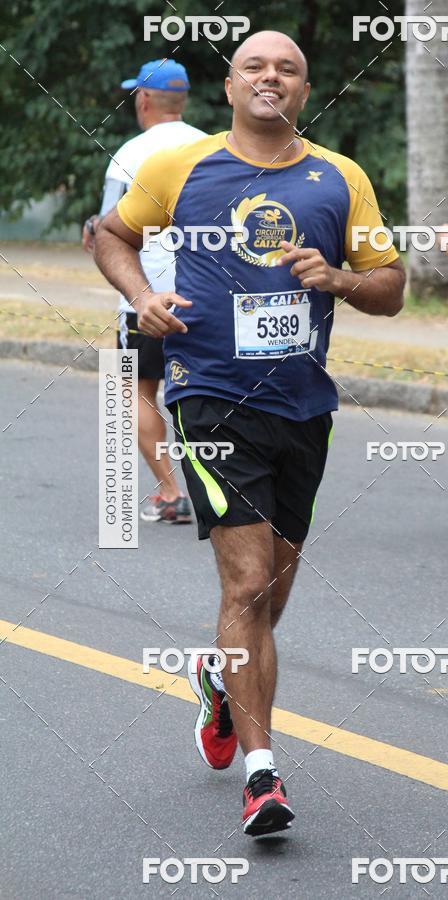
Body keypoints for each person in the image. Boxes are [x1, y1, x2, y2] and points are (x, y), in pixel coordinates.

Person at [94, 31, 405, 835]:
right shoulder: (180, 167)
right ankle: (263, 777)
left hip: (303, 406)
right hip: (209, 398)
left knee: (268, 598)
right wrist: (141, 300)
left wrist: (338, 277)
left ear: (305, 90)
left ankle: (217, 678)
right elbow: (110, 235)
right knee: (243, 584)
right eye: (256, 66)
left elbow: (392, 285)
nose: (272, 78)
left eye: (289, 69)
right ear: (229, 86)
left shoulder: (339, 177)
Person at [83, 59, 206, 523]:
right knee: (205, 393)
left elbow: (106, 233)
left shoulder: (130, 154)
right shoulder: (214, 148)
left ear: (143, 99)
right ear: (185, 100)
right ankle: (225, 488)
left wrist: (91, 227)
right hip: (205, 296)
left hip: (145, 298)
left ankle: (171, 492)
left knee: (134, 390)